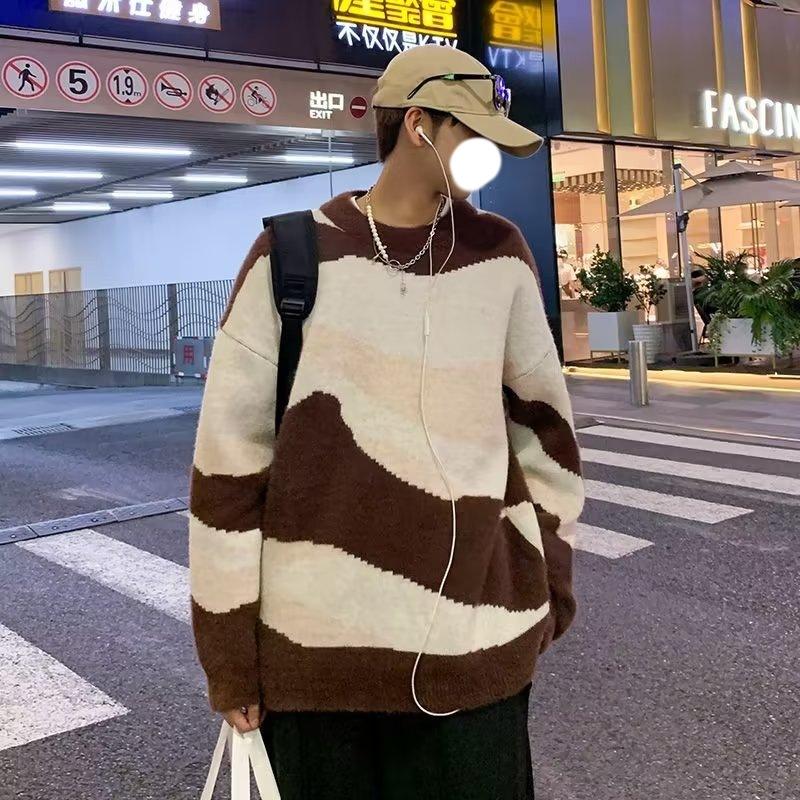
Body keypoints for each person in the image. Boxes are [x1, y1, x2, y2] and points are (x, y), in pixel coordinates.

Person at [189, 44, 584, 800]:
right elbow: (229, 469)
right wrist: (230, 657)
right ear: (418, 125)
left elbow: (546, 434)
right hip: (316, 663)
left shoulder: (499, 256)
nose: (488, 157)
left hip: (477, 650)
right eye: (473, 134)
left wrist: (547, 583)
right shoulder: (290, 256)